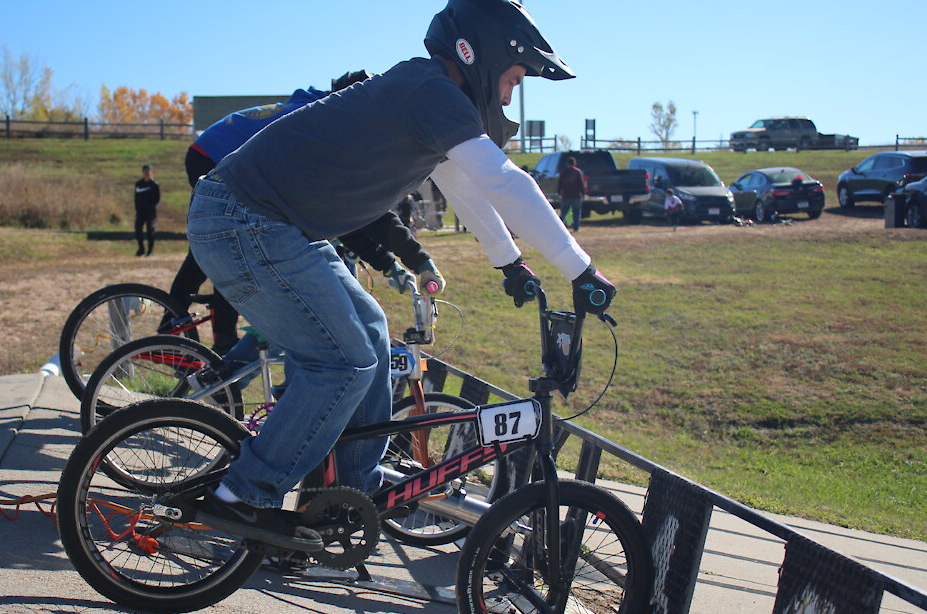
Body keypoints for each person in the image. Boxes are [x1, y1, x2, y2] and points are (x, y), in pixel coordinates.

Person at [186, 0, 616, 550]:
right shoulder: (429, 90)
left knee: (370, 337)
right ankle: (244, 497)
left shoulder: (428, 96)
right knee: (342, 360)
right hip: (246, 220)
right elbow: (505, 181)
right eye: (511, 79)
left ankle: (349, 491)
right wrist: (582, 270)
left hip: (269, 223)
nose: (509, 96)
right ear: (479, 57)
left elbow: (463, 184)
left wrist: (508, 260)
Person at [177, 72, 445, 355]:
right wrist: (399, 261)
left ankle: (197, 326)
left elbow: (356, 215)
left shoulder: (332, 117)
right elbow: (348, 217)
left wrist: (397, 262)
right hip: (217, 162)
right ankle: (218, 341)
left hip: (231, 162)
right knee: (234, 254)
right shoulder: (328, 127)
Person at [133, 164, 160, 256]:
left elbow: (157, 199)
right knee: (138, 229)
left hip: (151, 212)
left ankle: (150, 251)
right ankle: (141, 249)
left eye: (148, 171)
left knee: (150, 230)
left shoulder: (154, 185)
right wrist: (137, 209)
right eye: (145, 171)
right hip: (140, 212)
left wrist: (151, 207)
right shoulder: (138, 184)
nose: (147, 173)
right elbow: (136, 198)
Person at [557, 155, 586, 232]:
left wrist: (559, 192)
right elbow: (581, 184)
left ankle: (560, 228)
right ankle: (576, 228)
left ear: (567, 163)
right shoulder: (577, 172)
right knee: (576, 213)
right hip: (576, 195)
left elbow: (560, 183)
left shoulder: (563, 172)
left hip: (566, 195)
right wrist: (583, 193)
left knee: (563, 213)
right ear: (574, 163)